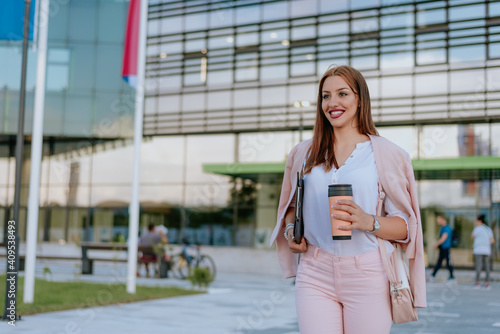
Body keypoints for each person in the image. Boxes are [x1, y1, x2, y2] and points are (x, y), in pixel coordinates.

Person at [269, 65, 426, 334]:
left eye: (342, 94)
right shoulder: (303, 153)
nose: (332, 103)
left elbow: (406, 226)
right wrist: (291, 231)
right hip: (315, 270)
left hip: (368, 272)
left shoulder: (387, 154)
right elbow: (291, 207)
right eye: (325, 96)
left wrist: (369, 221)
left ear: (360, 100)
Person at [428, 215, 454, 282]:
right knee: (439, 262)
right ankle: (433, 275)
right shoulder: (442, 228)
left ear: (442, 219)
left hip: (446, 248)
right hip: (442, 248)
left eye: (438, 219)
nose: (437, 221)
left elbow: (443, 238)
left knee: (448, 263)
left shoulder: (447, 228)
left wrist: (436, 244)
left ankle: (452, 277)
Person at [472, 214, 494, 289]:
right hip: (486, 250)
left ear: (479, 221)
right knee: (487, 267)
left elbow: (472, 237)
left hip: (478, 250)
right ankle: (487, 283)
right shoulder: (488, 229)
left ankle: (477, 282)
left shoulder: (477, 229)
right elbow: (492, 240)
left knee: (479, 266)